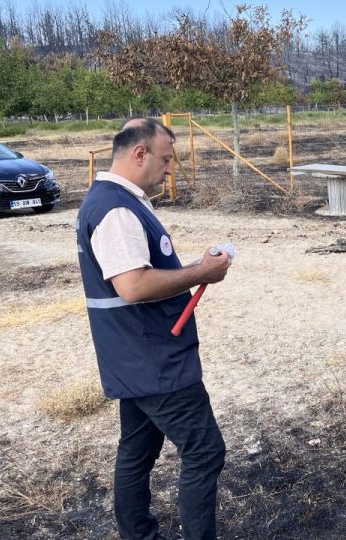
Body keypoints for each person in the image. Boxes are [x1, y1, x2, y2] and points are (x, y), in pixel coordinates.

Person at [77, 119, 233, 539]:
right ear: (139, 153)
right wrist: (201, 272)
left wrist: (195, 268)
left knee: (138, 450)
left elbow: (138, 275)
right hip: (154, 361)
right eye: (165, 159)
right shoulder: (116, 210)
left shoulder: (113, 200)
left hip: (134, 356)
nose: (169, 169)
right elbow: (132, 285)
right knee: (205, 451)